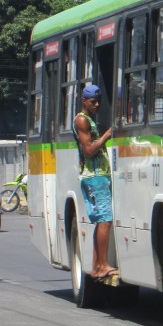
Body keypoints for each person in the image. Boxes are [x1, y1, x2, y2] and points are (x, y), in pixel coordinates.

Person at [73, 84, 117, 281]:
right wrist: (107, 136)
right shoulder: (82, 120)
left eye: (98, 101)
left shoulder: (88, 119)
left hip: (98, 175)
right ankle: (102, 266)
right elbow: (89, 150)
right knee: (105, 220)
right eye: (93, 102)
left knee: (101, 220)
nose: (97, 105)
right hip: (95, 176)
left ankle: (97, 266)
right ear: (84, 101)